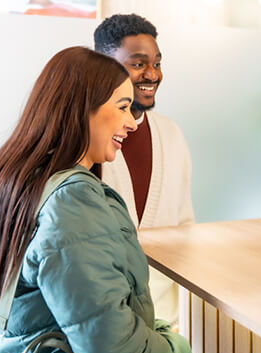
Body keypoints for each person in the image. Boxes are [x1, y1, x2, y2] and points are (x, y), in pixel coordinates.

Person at [0, 46, 191, 353]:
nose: (131, 122)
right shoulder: (72, 202)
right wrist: (177, 348)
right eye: (123, 106)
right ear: (83, 108)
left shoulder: (0, 189)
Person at [94, 14, 194, 326]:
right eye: (138, 63)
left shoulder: (171, 134)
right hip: (106, 323)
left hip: (167, 321)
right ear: (102, 64)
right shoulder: (87, 142)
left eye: (157, 63)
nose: (152, 74)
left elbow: (186, 228)